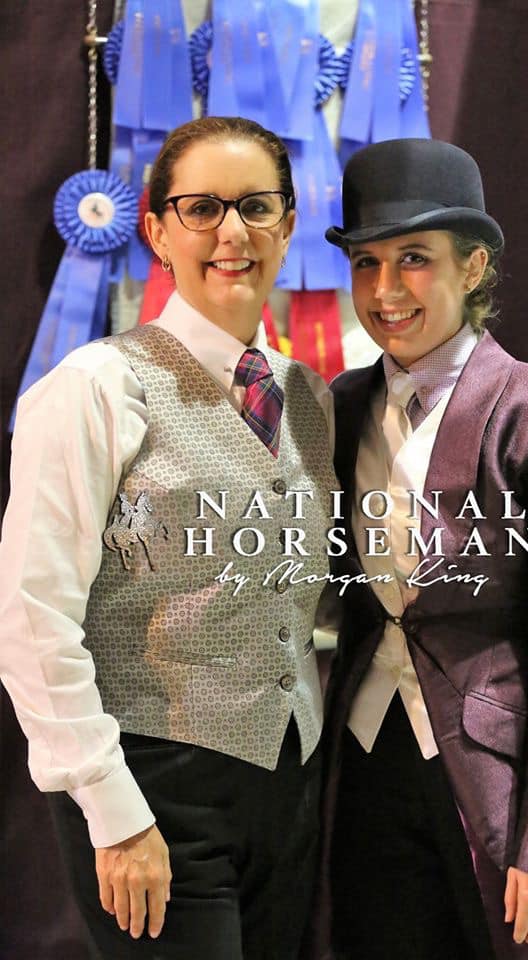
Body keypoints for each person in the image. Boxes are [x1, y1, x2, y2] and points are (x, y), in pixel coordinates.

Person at [0, 116, 337, 960]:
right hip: (152, 788)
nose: (233, 232)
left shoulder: (310, 396)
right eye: (201, 208)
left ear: (289, 225)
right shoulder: (93, 389)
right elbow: (32, 616)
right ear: (155, 229)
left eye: (257, 206)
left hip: (288, 783)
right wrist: (110, 809)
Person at [307, 138, 528, 960]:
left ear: (475, 266)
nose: (384, 291)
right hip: (365, 760)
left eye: (413, 259)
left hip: (501, 780)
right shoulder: (341, 404)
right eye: (367, 263)